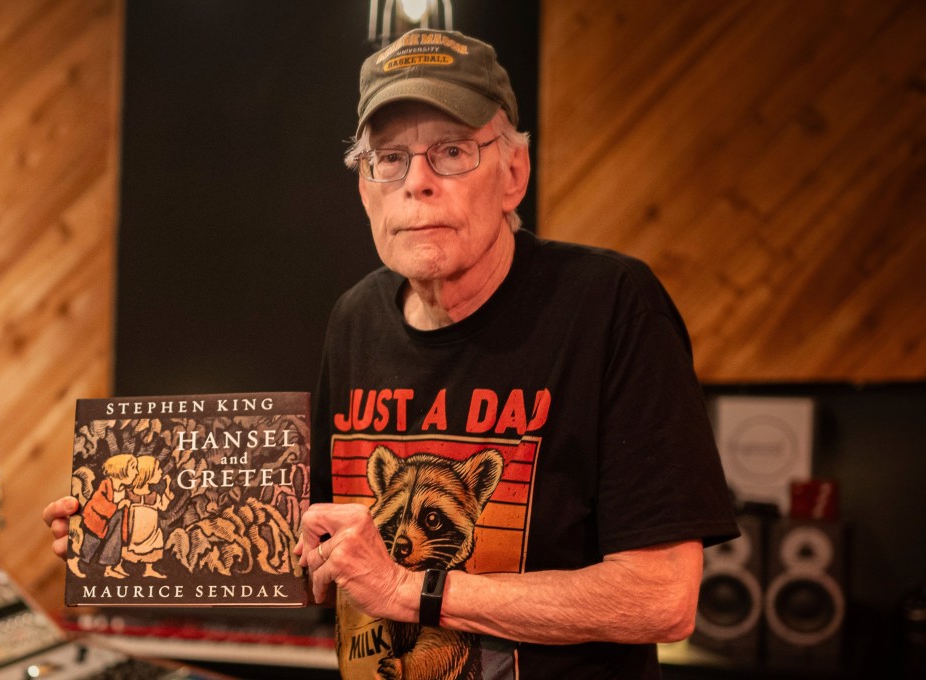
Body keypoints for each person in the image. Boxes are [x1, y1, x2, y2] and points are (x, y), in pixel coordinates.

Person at [45, 28, 739, 679]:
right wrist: (127, 537)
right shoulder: (356, 319)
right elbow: (319, 561)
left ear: (514, 173)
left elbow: (662, 597)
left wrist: (414, 589)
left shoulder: (611, 304)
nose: (418, 182)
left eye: (452, 151)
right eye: (390, 159)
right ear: (364, 191)